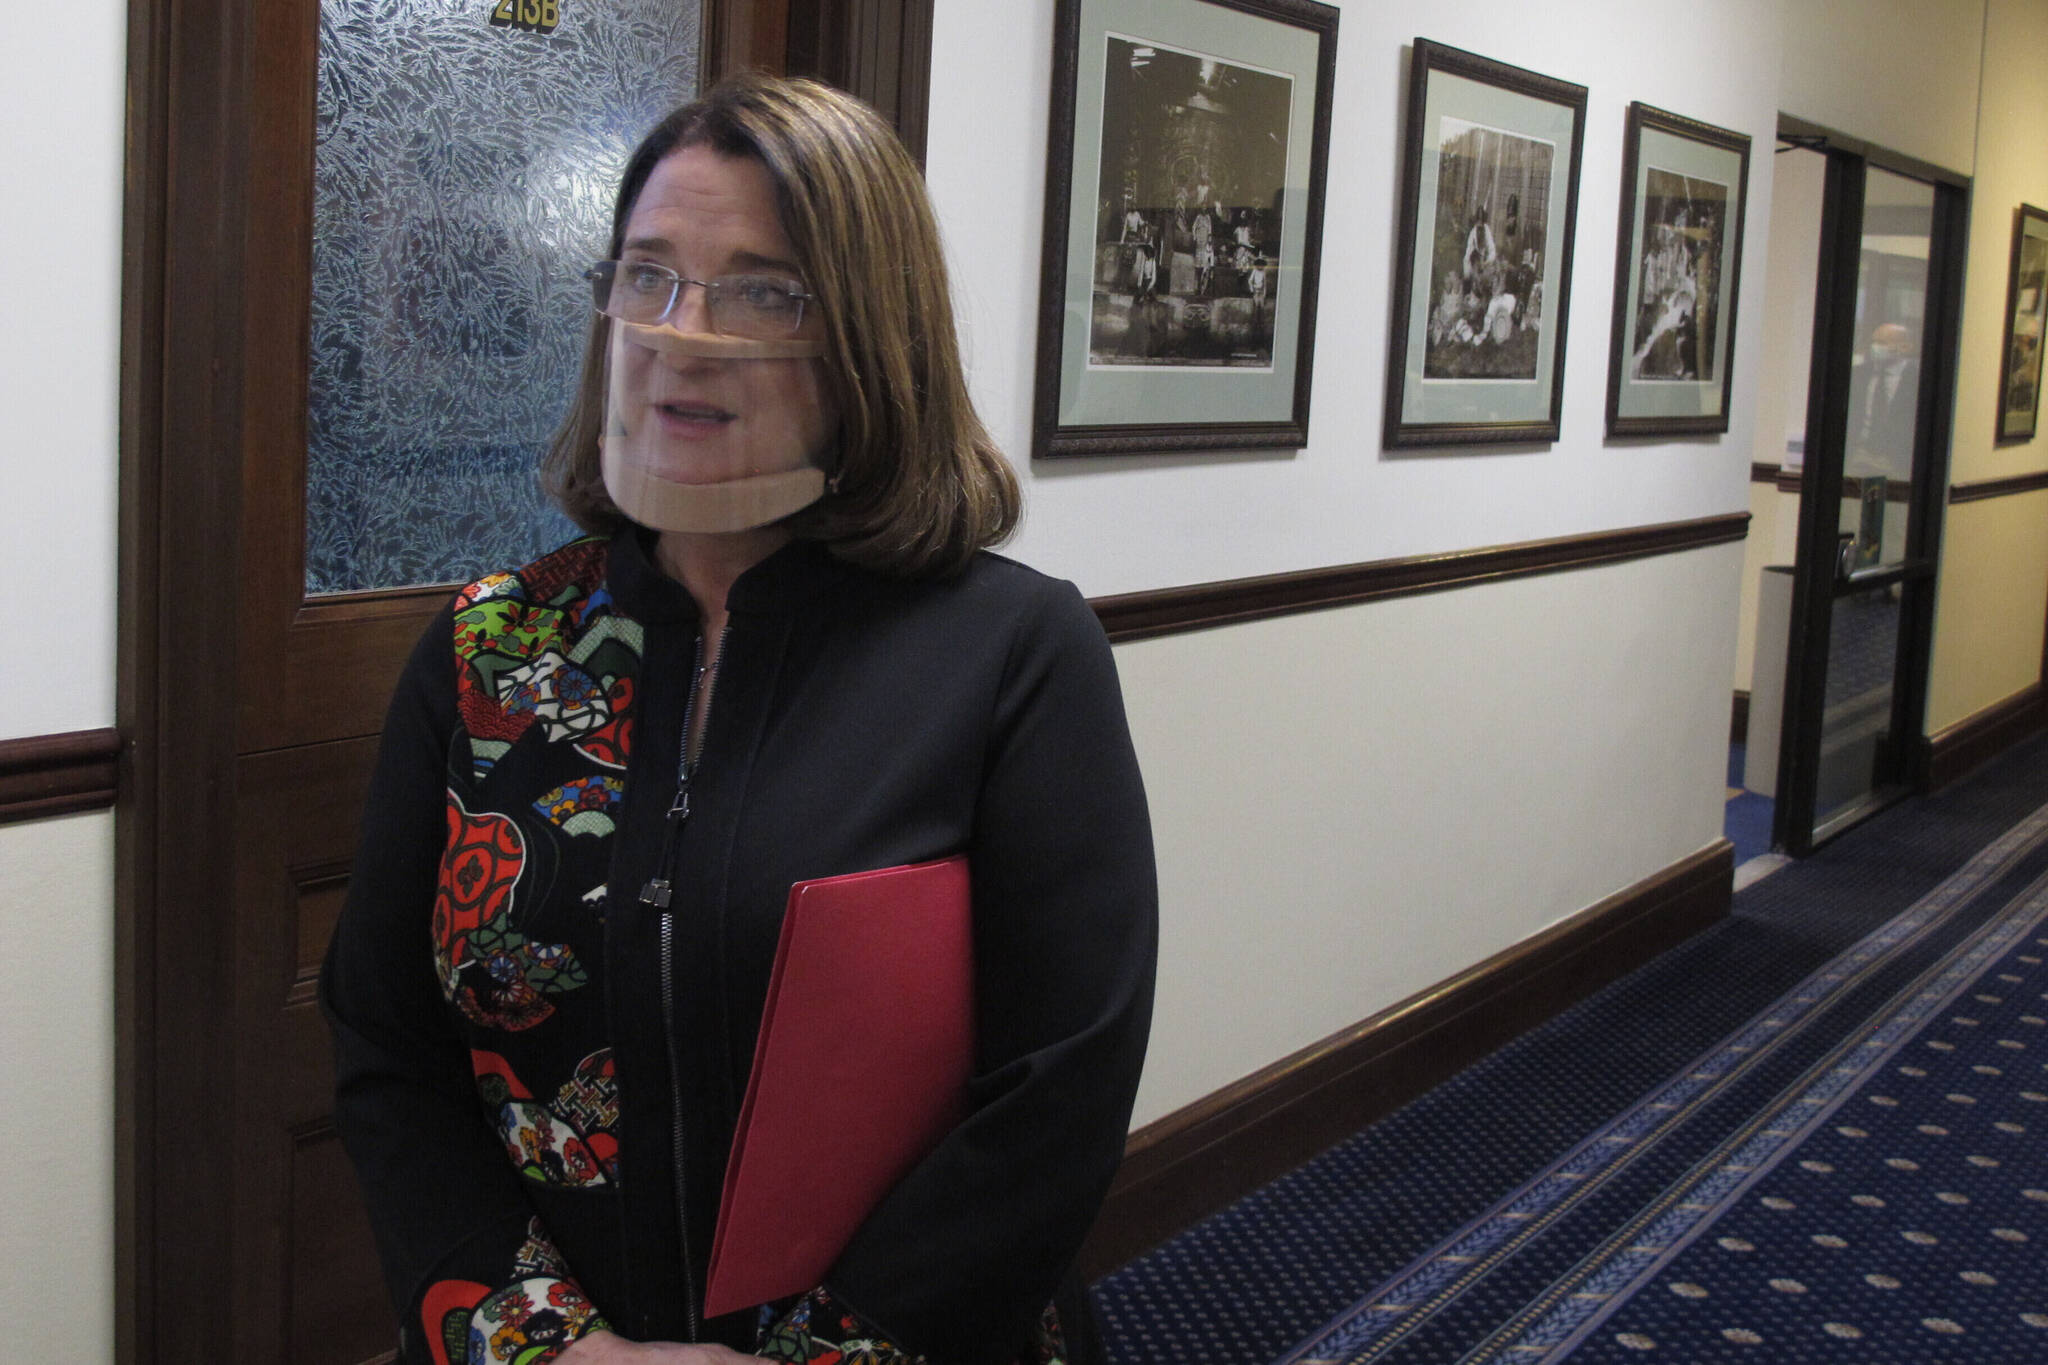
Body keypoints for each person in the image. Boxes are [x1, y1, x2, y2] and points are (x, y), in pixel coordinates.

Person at [322, 72, 1158, 1365]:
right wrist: (545, 1343)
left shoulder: (1010, 655)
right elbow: (388, 1039)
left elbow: (1062, 1085)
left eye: (764, 289)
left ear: (872, 336)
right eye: (649, 276)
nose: (685, 332)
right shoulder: (487, 653)